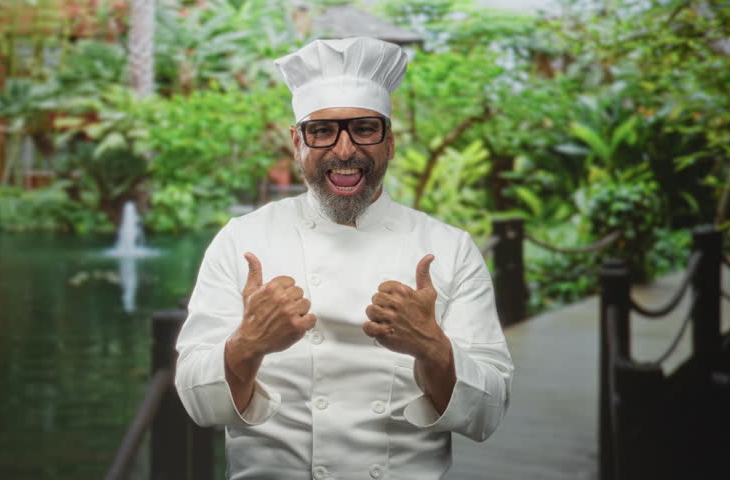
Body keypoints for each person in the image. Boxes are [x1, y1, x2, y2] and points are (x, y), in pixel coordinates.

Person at [175, 36, 514, 480]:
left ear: (390, 142)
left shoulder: (449, 248)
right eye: (321, 131)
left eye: (365, 129)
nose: (344, 149)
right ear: (297, 142)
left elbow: (487, 413)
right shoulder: (242, 239)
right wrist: (249, 343)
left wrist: (433, 348)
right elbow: (197, 401)